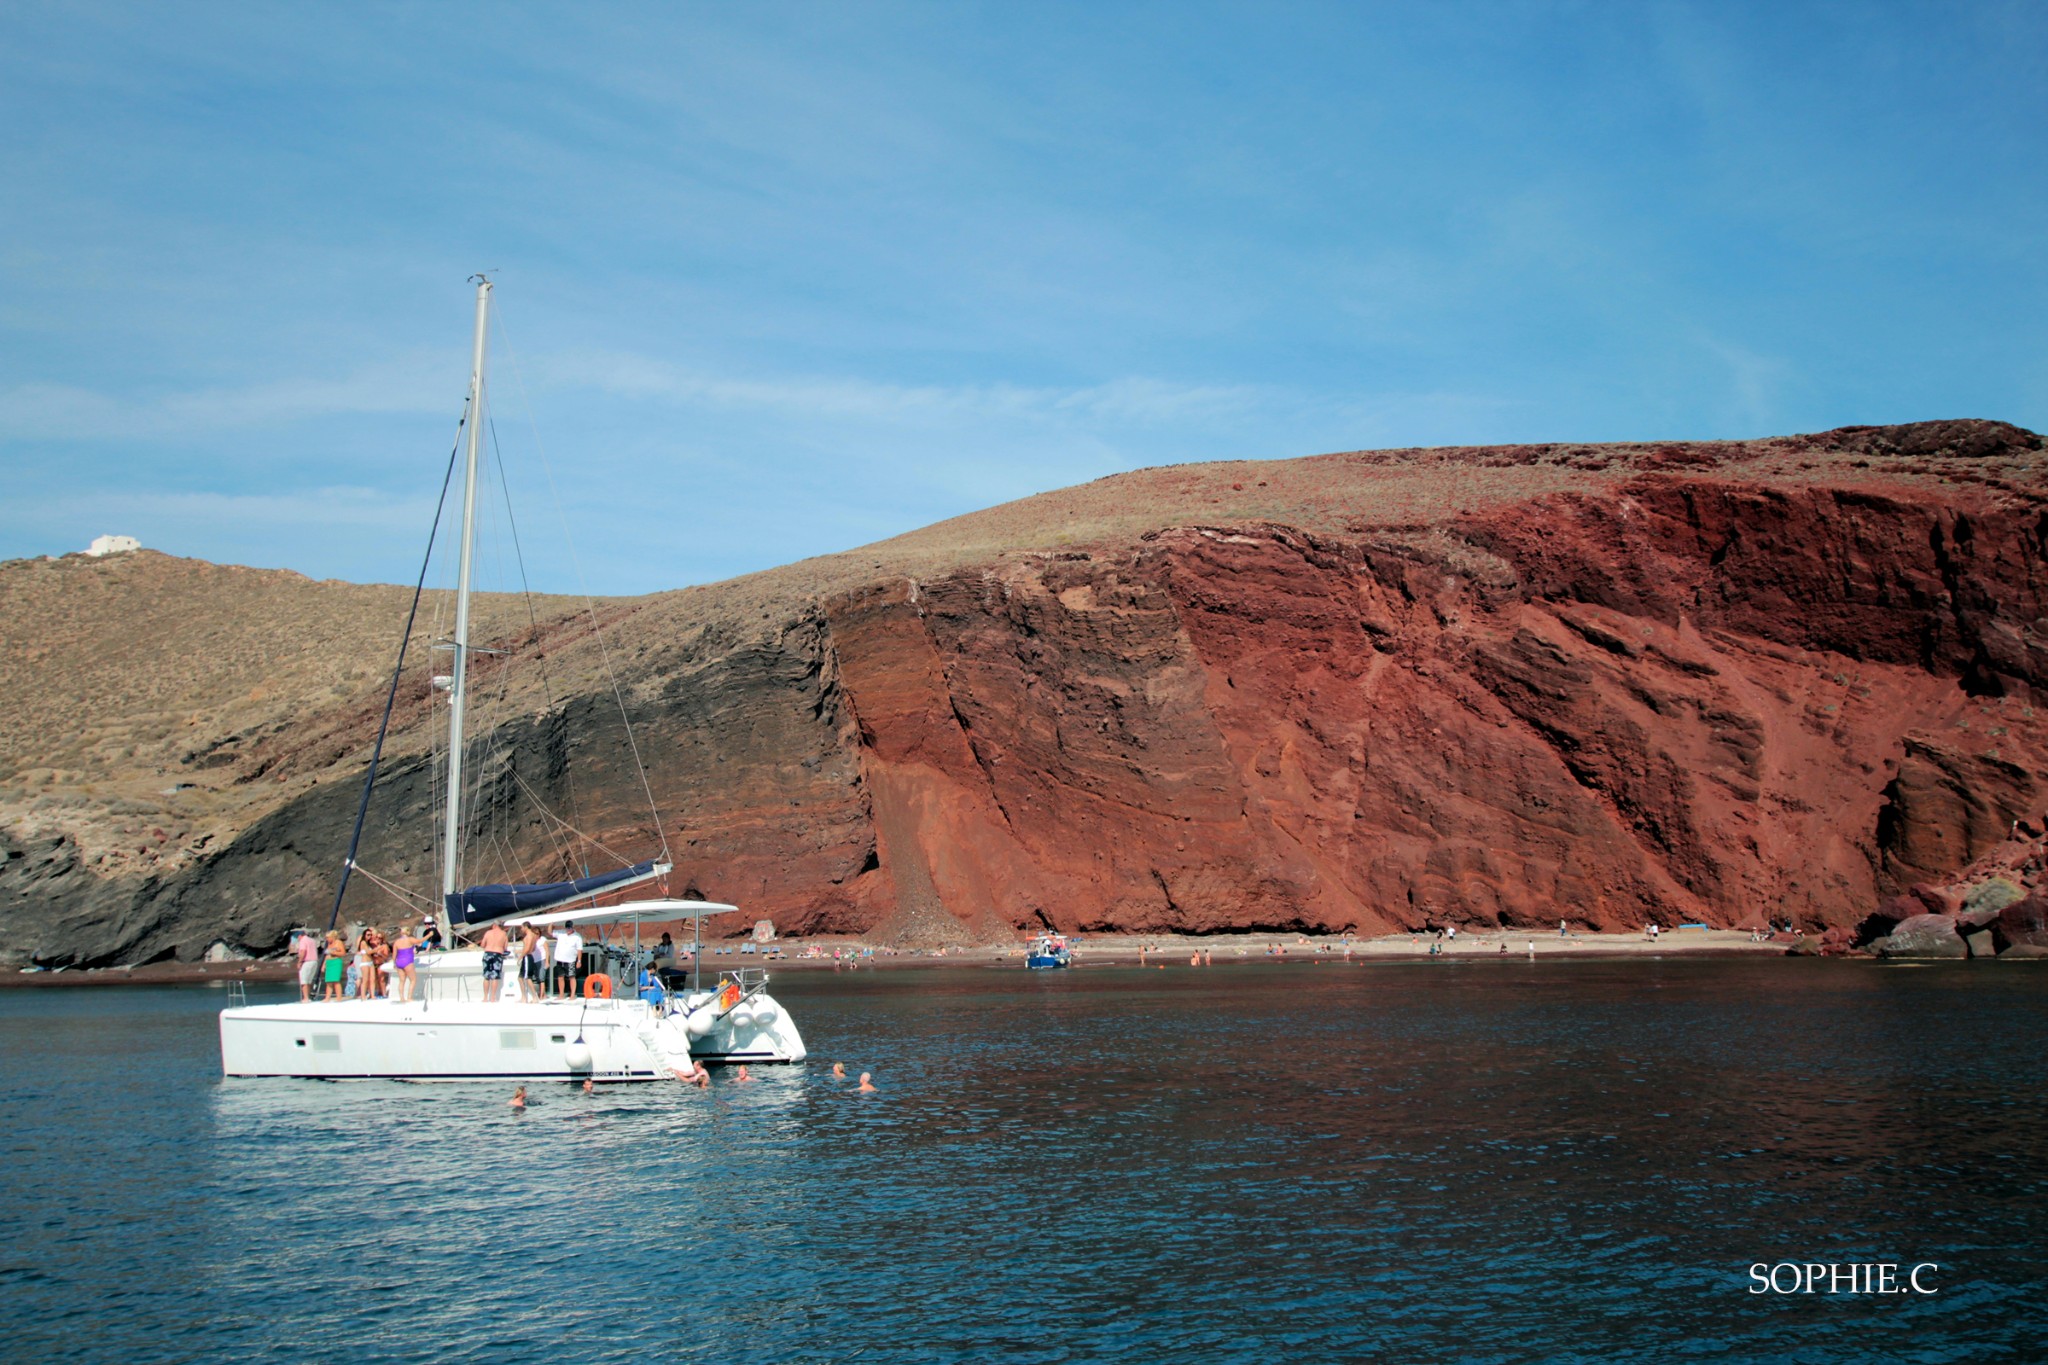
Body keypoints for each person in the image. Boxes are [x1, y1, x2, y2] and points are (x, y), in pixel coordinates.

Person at [479, 922, 510, 1003]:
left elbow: (482, 945)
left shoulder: (488, 932)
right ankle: (493, 997)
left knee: (486, 976)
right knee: (495, 976)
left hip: (488, 953)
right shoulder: (504, 934)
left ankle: (485, 998)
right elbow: (505, 947)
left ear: (494, 925)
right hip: (497, 954)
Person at [552, 924, 584, 998]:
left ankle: (572, 995)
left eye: (570, 928)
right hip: (560, 960)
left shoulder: (577, 936)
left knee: (571, 977)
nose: (568, 929)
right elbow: (550, 932)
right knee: (560, 977)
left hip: (570, 960)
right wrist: (551, 923)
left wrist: (579, 961)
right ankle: (561, 994)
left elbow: (580, 950)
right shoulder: (561, 933)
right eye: (567, 928)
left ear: (573, 927)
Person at [391, 926, 419, 1003]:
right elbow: (420, 942)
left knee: (401, 981)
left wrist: (394, 963)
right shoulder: (410, 940)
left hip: (399, 962)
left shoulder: (397, 942)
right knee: (413, 980)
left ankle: (401, 998)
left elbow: (394, 954)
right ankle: (409, 997)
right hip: (408, 961)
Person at [516, 923, 542, 1003]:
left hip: (527, 957)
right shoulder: (534, 936)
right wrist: (522, 951)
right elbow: (533, 948)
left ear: (526, 927)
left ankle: (535, 997)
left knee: (527, 978)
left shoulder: (529, 936)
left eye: (522, 927)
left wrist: (520, 957)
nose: (521, 929)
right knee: (520, 978)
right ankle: (524, 997)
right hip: (528, 956)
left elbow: (527, 949)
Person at [292, 929, 318, 1002]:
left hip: (307, 962)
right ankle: (308, 997)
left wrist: (299, 962)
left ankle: (306, 998)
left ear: (300, 936)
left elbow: (303, 951)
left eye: (298, 937)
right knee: (309, 980)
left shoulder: (303, 941)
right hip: (314, 961)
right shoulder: (312, 940)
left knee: (304, 980)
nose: (298, 939)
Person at [322, 932, 346, 1000]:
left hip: (336, 962)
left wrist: (333, 952)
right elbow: (327, 955)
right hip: (329, 962)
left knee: (336, 980)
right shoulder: (329, 944)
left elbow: (343, 953)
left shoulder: (338, 942)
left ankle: (339, 997)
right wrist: (324, 964)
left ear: (332, 937)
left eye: (328, 937)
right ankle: (327, 997)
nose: (327, 939)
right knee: (328, 981)